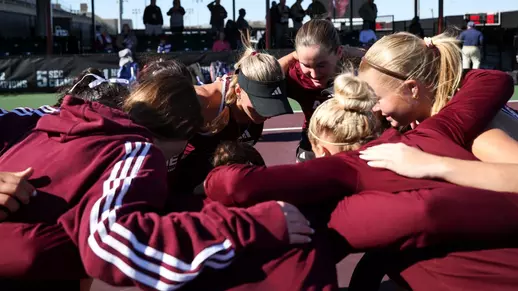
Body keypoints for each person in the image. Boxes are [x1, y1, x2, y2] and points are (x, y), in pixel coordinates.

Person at [0, 61, 312, 290]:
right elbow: (112, 244)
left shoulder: (59, 115)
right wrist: (250, 225)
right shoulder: (137, 151)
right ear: (183, 133)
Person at [277, 19, 364, 163]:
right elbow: (260, 77)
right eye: (306, 65)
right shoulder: (294, 76)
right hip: (312, 143)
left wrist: (350, 51)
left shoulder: (353, 74)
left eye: (321, 65)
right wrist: (291, 56)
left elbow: (381, 61)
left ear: (339, 52)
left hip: (350, 142)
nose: (314, 74)